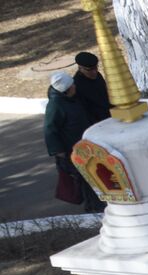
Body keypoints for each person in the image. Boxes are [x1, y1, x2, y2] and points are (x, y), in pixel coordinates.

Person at [43, 72, 102, 212]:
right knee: (85, 178)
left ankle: (95, 203)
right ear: (66, 90)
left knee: (91, 174)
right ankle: (93, 206)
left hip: (83, 145)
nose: (75, 86)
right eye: (72, 85)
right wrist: (59, 152)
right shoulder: (55, 105)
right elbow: (50, 130)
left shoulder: (70, 99)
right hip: (72, 149)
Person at [72, 51, 110, 123]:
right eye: (89, 70)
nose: (94, 72)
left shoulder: (98, 76)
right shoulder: (77, 85)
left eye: (96, 68)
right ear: (80, 68)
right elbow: (84, 110)